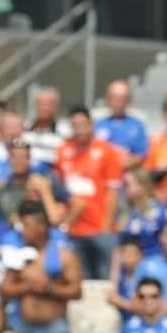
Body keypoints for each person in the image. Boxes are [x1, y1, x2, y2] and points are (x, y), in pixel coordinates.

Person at [0, 202, 82, 333]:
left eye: (27, 225)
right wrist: (28, 286)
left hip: (54, 325)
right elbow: (5, 290)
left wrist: (49, 289)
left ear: (42, 226)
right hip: (24, 326)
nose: (23, 230)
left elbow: (76, 291)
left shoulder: (63, 256)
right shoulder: (19, 256)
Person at [55, 107, 123, 280]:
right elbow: (61, 191)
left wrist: (106, 227)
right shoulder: (64, 150)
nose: (79, 129)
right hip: (74, 229)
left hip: (99, 227)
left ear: (91, 125)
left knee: (103, 279)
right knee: (79, 278)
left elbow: (113, 192)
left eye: (83, 124)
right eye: (75, 125)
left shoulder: (107, 151)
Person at [95, 79, 149, 168]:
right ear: (108, 99)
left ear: (128, 100)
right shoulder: (98, 124)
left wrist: (119, 166)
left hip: (127, 173)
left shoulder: (137, 125)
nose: (118, 103)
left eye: (122, 98)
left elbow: (141, 155)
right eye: (114, 98)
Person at [119, 168, 167, 259]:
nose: (124, 188)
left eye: (127, 185)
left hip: (154, 263)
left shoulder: (159, 210)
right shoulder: (126, 211)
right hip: (129, 266)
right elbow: (120, 245)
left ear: (142, 186)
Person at [24, 86, 71, 170]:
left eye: (49, 104)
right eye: (41, 104)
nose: (44, 108)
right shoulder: (25, 128)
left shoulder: (65, 132)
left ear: (56, 107)